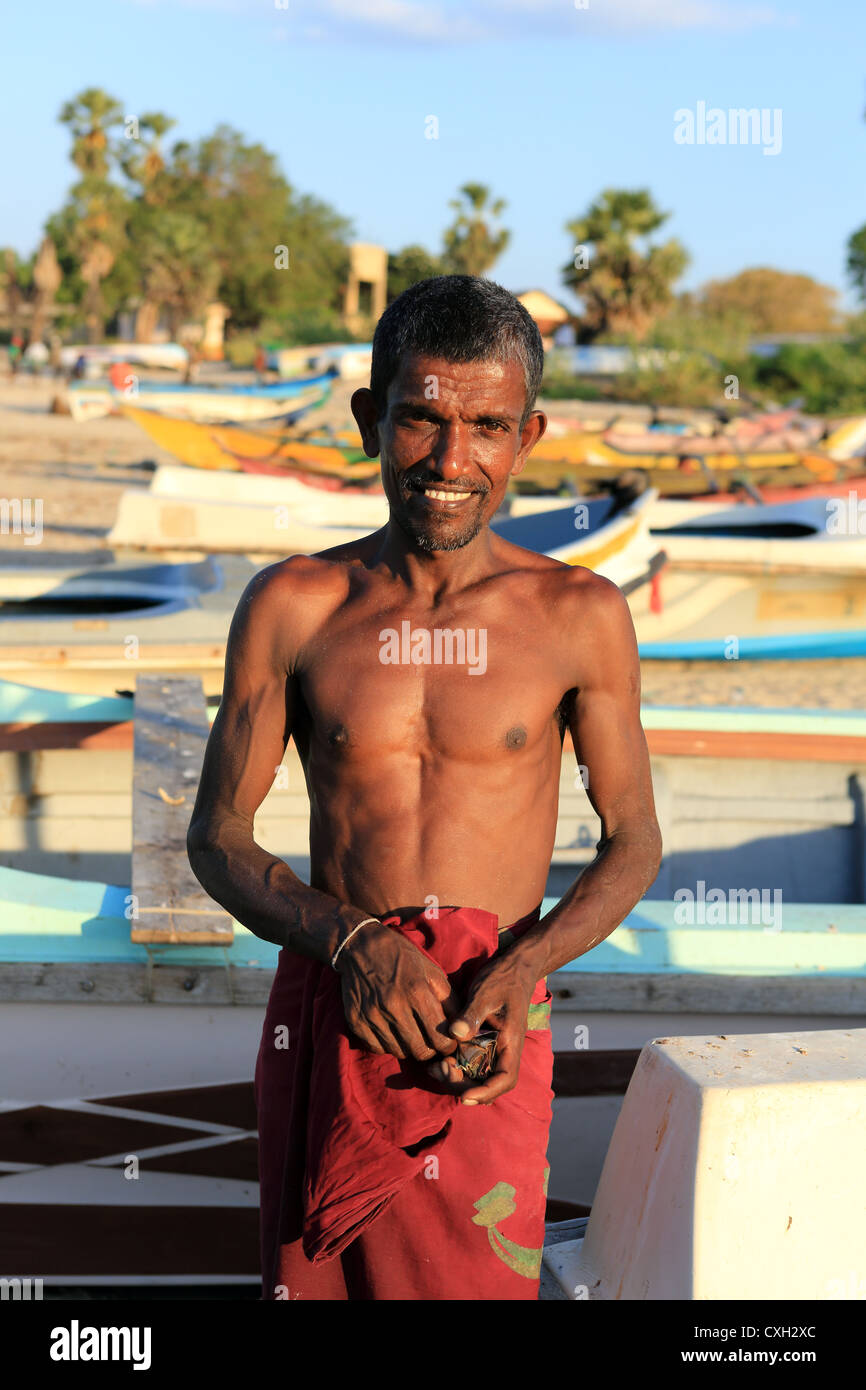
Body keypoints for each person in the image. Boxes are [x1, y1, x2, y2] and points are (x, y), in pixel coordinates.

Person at [187, 275, 662, 1301]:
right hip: (334, 1011)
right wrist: (349, 941)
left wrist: (521, 968)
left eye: (487, 427)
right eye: (422, 419)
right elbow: (218, 834)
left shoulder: (578, 615)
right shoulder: (294, 603)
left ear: (527, 436)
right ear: (371, 419)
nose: (453, 463)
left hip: (485, 1028)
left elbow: (630, 840)